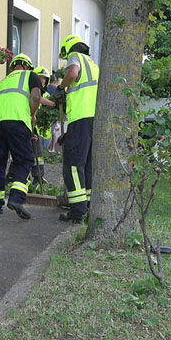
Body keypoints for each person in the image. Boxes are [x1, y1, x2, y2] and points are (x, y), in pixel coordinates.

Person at [0, 53, 42, 219]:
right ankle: (16, 198)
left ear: (13, 67)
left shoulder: (2, 82)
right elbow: (36, 97)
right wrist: (32, 115)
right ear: (27, 66)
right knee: (24, 160)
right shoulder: (30, 75)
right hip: (17, 120)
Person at [55, 35, 98, 223]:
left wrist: (61, 88)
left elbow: (72, 73)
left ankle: (77, 211)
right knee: (87, 165)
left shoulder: (76, 57)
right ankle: (86, 207)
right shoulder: (94, 65)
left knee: (72, 165)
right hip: (93, 121)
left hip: (80, 118)